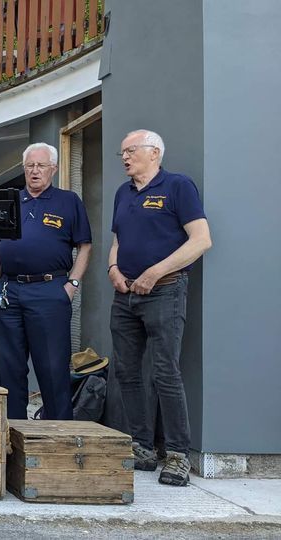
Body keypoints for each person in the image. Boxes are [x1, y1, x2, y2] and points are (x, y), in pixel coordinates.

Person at [109, 129, 211, 487]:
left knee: (165, 371)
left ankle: (178, 454)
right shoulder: (124, 193)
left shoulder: (178, 186)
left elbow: (201, 240)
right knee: (127, 372)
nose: (124, 157)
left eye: (130, 151)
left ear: (154, 152)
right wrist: (112, 269)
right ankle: (142, 447)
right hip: (125, 296)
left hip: (165, 291)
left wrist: (155, 272)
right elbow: (118, 241)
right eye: (122, 152)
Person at [0, 143, 92, 421]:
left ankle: (59, 433)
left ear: (54, 169)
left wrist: (72, 285)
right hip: (9, 289)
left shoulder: (68, 200)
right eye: (29, 166)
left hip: (50, 290)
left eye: (41, 166)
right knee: (10, 367)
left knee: (52, 367)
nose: (35, 171)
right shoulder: (11, 201)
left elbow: (85, 246)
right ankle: (12, 433)